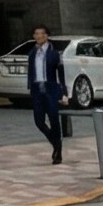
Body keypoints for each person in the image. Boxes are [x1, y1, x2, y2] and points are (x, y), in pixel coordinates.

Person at [25, 25, 68, 165]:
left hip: (51, 89)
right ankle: (56, 144)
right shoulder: (32, 53)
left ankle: (58, 153)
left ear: (47, 36)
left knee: (54, 120)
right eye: (36, 34)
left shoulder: (54, 53)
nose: (39, 36)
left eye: (42, 34)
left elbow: (61, 74)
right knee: (39, 121)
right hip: (37, 90)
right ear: (33, 36)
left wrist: (64, 93)